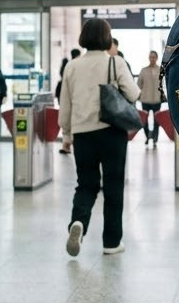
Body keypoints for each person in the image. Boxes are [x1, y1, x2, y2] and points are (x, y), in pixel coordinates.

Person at [58, 18, 138, 258]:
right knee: (113, 186)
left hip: (83, 133)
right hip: (112, 131)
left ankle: (79, 223)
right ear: (106, 38)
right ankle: (111, 243)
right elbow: (133, 94)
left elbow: (65, 105)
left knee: (86, 183)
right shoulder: (116, 62)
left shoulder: (71, 66)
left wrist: (67, 135)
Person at [136, 50, 164, 148]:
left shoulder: (160, 70)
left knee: (157, 121)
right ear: (149, 58)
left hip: (157, 99)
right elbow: (138, 84)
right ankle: (147, 137)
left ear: (156, 58)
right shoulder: (143, 70)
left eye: (154, 57)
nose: (152, 59)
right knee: (144, 120)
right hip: (145, 99)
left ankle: (155, 138)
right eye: (150, 57)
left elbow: (163, 84)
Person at [56, 49, 81, 155]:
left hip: (63, 93)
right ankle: (68, 142)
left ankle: (66, 143)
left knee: (67, 118)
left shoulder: (67, 65)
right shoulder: (77, 66)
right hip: (76, 99)